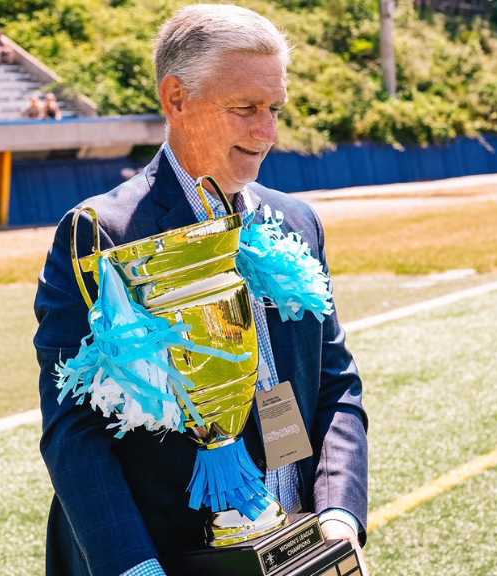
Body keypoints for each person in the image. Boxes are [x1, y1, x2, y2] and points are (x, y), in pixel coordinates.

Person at [33, 4, 368, 576]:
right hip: (164, 560)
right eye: (245, 109)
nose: (267, 132)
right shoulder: (101, 234)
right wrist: (135, 567)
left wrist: (339, 513)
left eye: (274, 109)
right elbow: (74, 430)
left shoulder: (297, 221)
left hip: (301, 547)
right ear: (176, 99)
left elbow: (336, 383)